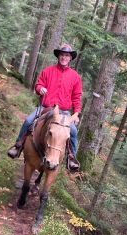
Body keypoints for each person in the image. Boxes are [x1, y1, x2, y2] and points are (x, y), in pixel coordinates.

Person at [7, 43, 82, 171]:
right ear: (58, 56)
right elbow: (38, 85)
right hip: (46, 107)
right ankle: (18, 145)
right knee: (28, 121)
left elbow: (77, 97)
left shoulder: (75, 77)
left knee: (73, 131)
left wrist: (76, 114)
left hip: (64, 112)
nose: (64, 57)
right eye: (62, 55)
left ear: (70, 58)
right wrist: (40, 88)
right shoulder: (47, 71)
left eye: (66, 55)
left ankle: (71, 157)